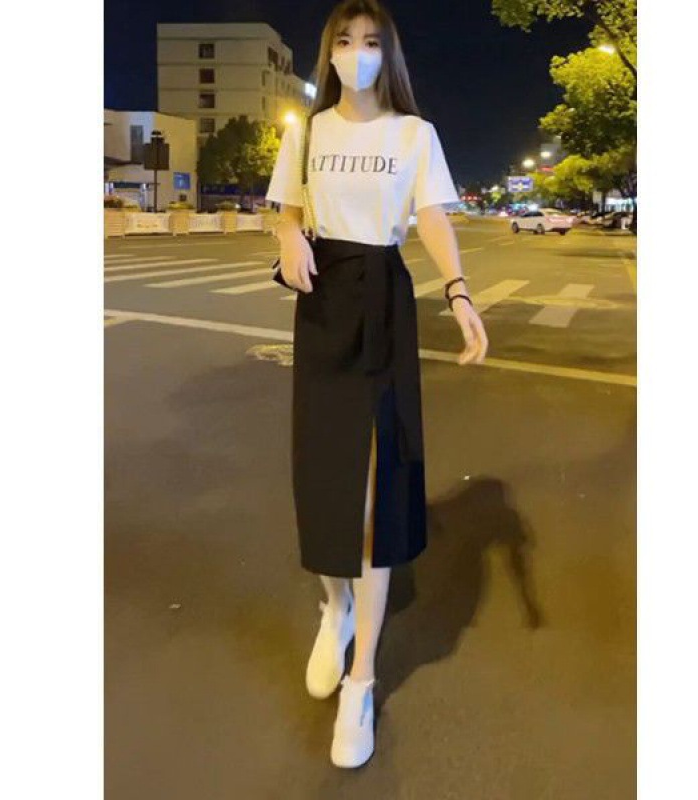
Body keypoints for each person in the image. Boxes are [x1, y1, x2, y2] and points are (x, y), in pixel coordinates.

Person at [265, 0, 488, 769]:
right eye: (344, 40)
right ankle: (335, 608)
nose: (356, 52)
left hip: (383, 298)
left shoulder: (413, 134)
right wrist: (288, 233)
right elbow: (287, 210)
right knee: (321, 474)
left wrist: (459, 291)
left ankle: (360, 680)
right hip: (324, 301)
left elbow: (432, 218)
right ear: (327, 51)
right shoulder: (308, 132)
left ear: (388, 53)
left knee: (374, 488)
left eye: (370, 41)